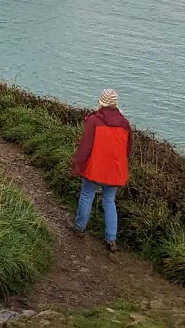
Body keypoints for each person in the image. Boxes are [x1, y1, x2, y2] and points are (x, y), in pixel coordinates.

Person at [71, 88, 133, 252]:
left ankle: (79, 229)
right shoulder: (125, 123)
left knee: (87, 194)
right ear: (116, 104)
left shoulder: (93, 120)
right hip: (115, 170)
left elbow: (85, 147)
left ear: (101, 103)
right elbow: (127, 149)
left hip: (96, 168)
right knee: (109, 200)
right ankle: (111, 240)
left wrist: (77, 165)